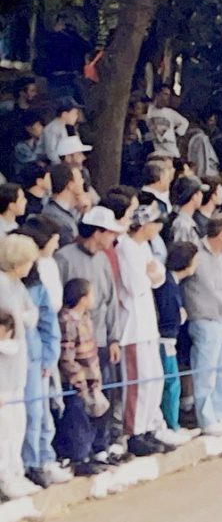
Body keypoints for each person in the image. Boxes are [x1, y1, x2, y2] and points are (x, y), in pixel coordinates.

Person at [116, 202, 190, 455]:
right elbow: (135, 284)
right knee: (138, 382)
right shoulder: (125, 246)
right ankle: (134, 432)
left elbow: (158, 277)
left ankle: (149, 426)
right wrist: (149, 275)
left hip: (148, 323)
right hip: (132, 326)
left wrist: (150, 275)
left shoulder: (144, 247)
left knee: (155, 379)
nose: (158, 228)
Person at [54, 207, 125, 462]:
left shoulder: (104, 259)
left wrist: (114, 338)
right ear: (97, 232)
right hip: (73, 344)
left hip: (101, 340)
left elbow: (110, 300)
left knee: (101, 397)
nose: (113, 238)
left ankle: (100, 448)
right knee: (78, 400)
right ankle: (79, 453)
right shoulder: (64, 258)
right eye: (110, 233)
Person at [12, 221, 72, 488]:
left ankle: (41, 460)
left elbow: (48, 324)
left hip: (35, 359)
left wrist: (49, 356)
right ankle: (21, 466)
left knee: (39, 413)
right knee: (15, 418)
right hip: (9, 361)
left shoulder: (36, 285)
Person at [181, 217, 222, 436]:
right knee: (205, 373)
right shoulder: (196, 253)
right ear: (221, 234)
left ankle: (220, 415)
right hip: (204, 319)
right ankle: (206, 419)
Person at [53, 279, 111, 477]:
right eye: (91, 294)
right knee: (77, 420)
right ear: (82, 298)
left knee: (97, 414)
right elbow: (67, 356)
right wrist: (78, 380)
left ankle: (95, 452)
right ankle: (80, 458)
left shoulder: (85, 318)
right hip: (76, 382)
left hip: (91, 378)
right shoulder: (67, 321)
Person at [0, 234, 41, 498]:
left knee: (18, 423)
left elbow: (31, 313)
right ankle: (5, 477)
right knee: (4, 427)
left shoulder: (17, 285)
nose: (30, 266)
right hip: (2, 368)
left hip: (17, 365)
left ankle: (16, 471)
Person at [153, 242, 197, 434]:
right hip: (165, 340)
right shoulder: (168, 285)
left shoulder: (172, 283)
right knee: (171, 383)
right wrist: (180, 317)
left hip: (169, 338)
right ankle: (172, 425)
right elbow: (169, 315)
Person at [42, 164, 84, 246]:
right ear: (70, 185)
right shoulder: (55, 217)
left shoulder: (73, 211)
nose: (82, 181)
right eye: (79, 178)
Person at [145, 88, 189, 158]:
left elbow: (185, 123)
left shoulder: (170, 113)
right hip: (154, 150)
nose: (167, 97)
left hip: (170, 151)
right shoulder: (148, 110)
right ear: (158, 95)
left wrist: (176, 133)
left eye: (169, 95)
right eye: (165, 94)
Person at [43, 100, 81, 165]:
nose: (76, 117)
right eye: (74, 114)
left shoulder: (62, 128)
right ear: (64, 114)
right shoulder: (53, 130)